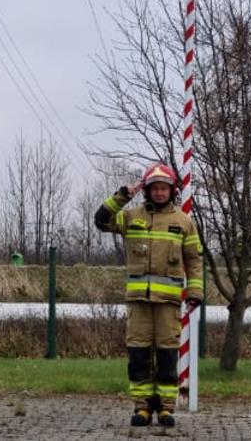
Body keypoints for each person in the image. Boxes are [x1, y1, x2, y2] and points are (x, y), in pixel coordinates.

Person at [93, 163, 203, 428]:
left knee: (167, 356)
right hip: (139, 303)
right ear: (147, 190)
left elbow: (194, 260)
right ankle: (142, 408)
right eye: (155, 188)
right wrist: (122, 195)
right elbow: (101, 221)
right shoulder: (132, 217)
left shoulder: (184, 222)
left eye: (164, 188)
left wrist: (196, 291)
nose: (160, 193)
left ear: (172, 190)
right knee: (139, 355)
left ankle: (165, 408)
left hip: (169, 304)